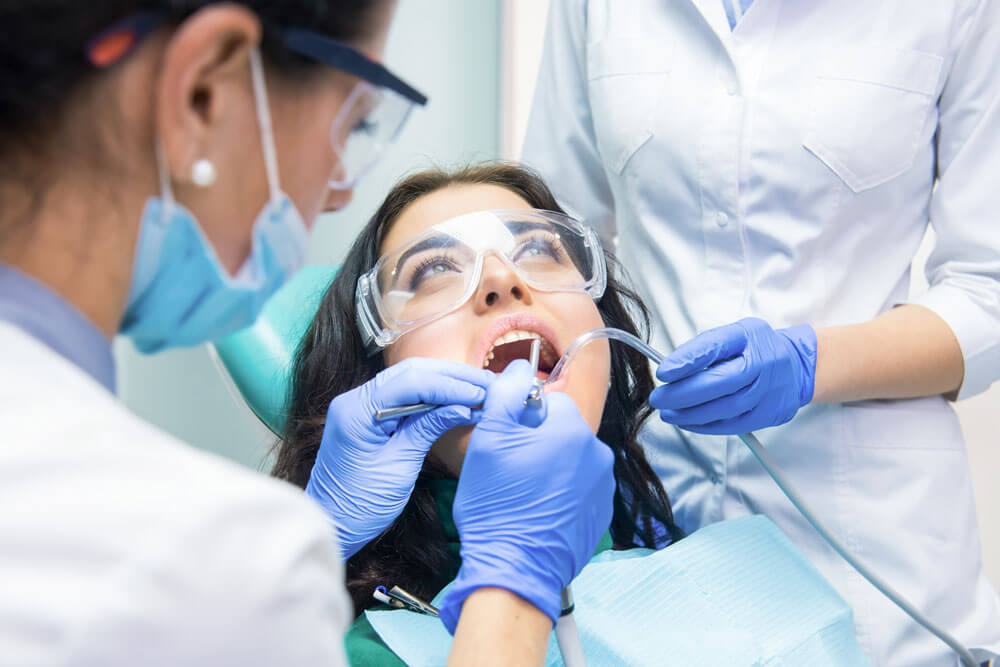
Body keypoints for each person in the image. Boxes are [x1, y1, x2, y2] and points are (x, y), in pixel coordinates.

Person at [0, 2, 612, 664]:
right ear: (204, 89)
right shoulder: (202, 569)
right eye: (354, 120)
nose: (336, 196)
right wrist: (515, 581)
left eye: (541, 250)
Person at [522, 1, 1000, 665]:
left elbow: (989, 290)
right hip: (654, 503)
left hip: (869, 544)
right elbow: (555, 241)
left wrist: (811, 363)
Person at [273, 164, 869, 666]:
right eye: (434, 270)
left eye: (537, 249)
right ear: (375, 377)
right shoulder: (337, 648)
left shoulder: (753, 590)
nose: (503, 280)